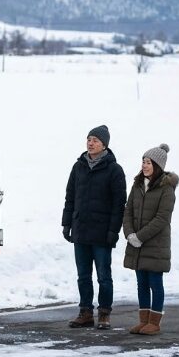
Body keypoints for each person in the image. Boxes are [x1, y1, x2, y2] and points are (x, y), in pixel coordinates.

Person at [62, 125, 127, 330]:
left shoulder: (114, 170)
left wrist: (113, 231)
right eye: (88, 139)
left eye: (95, 140)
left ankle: (105, 313)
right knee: (83, 275)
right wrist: (66, 223)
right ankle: (86, 312)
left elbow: (119, 204)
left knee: (103, 276)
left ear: (104, 144)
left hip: (101, 233)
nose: (90, 143)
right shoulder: (78, 166)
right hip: (81, 230)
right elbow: (70, 197)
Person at [123, 144, 178, 335]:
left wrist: (140, 236)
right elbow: (128, 210)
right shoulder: (137, 184)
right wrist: (129, 234)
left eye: (149, 162)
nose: (145, 166)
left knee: (155, 282)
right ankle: (143, 321)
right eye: (143, 161)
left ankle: (154, 322)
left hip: (155, 245)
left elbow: (162, 219)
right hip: (136, 243)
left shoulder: (166, 188)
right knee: (141, 283)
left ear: (158, 165)